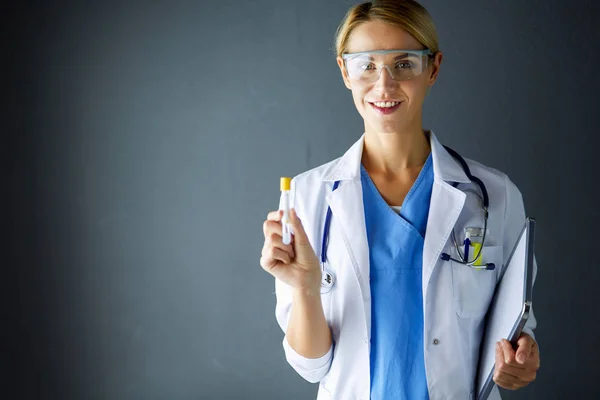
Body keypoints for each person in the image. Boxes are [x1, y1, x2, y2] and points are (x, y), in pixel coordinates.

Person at [260, 1, 540, 398]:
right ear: (345, 71)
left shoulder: (495, 196)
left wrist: (520, 362)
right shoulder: (307, 198)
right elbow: (311, 366)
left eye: (404, 64)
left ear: (433, 68)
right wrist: (306, 288)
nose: (384, 85)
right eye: (366, 65)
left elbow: (516, 329)